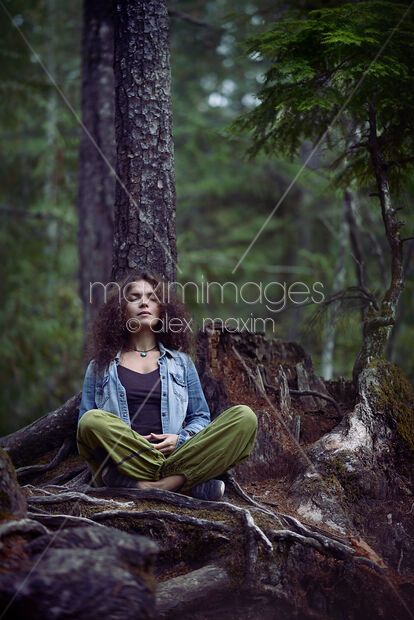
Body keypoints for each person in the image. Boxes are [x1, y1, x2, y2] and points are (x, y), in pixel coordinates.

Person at [76, 270, 258, 501]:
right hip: (127, 458)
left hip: (177, 456)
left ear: (162, 311)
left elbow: (200, 416)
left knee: (245, 417)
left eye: (152, 298)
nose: (144, 302)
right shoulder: (100, 366)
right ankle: (185, 485)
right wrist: (129, 442)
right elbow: (85, 427)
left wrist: (179, 440)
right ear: (121, 310)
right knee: (92, 420)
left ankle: (151, 486)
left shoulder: (181, 363)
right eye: (134, 297)